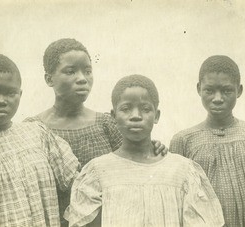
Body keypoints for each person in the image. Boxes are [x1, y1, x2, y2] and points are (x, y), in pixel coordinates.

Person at [25, 38, 167, 226]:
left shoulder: (106, 124)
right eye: (70, 71)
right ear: (49, 79)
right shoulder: (33, 129)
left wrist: (154, 148)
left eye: (88, 71)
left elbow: (132, 161)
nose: (82, 78)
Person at [65, 74, 224, 227]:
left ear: (156, 116)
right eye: (126, 108)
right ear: (113, 116)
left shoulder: (183, 171)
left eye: (145, 108)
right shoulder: (98, 172)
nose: (135, 116)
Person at [0, 53, 80, 226]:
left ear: (20, 94)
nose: (1, 101)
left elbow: (79, 184)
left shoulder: (37, 134)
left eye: (11, 93)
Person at [169, 55, 245, 227]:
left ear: (239, 90)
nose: (218, 98)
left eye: (227, 90)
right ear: (199, 89)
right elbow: (175, 200)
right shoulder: (183, 141)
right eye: (209, 90)